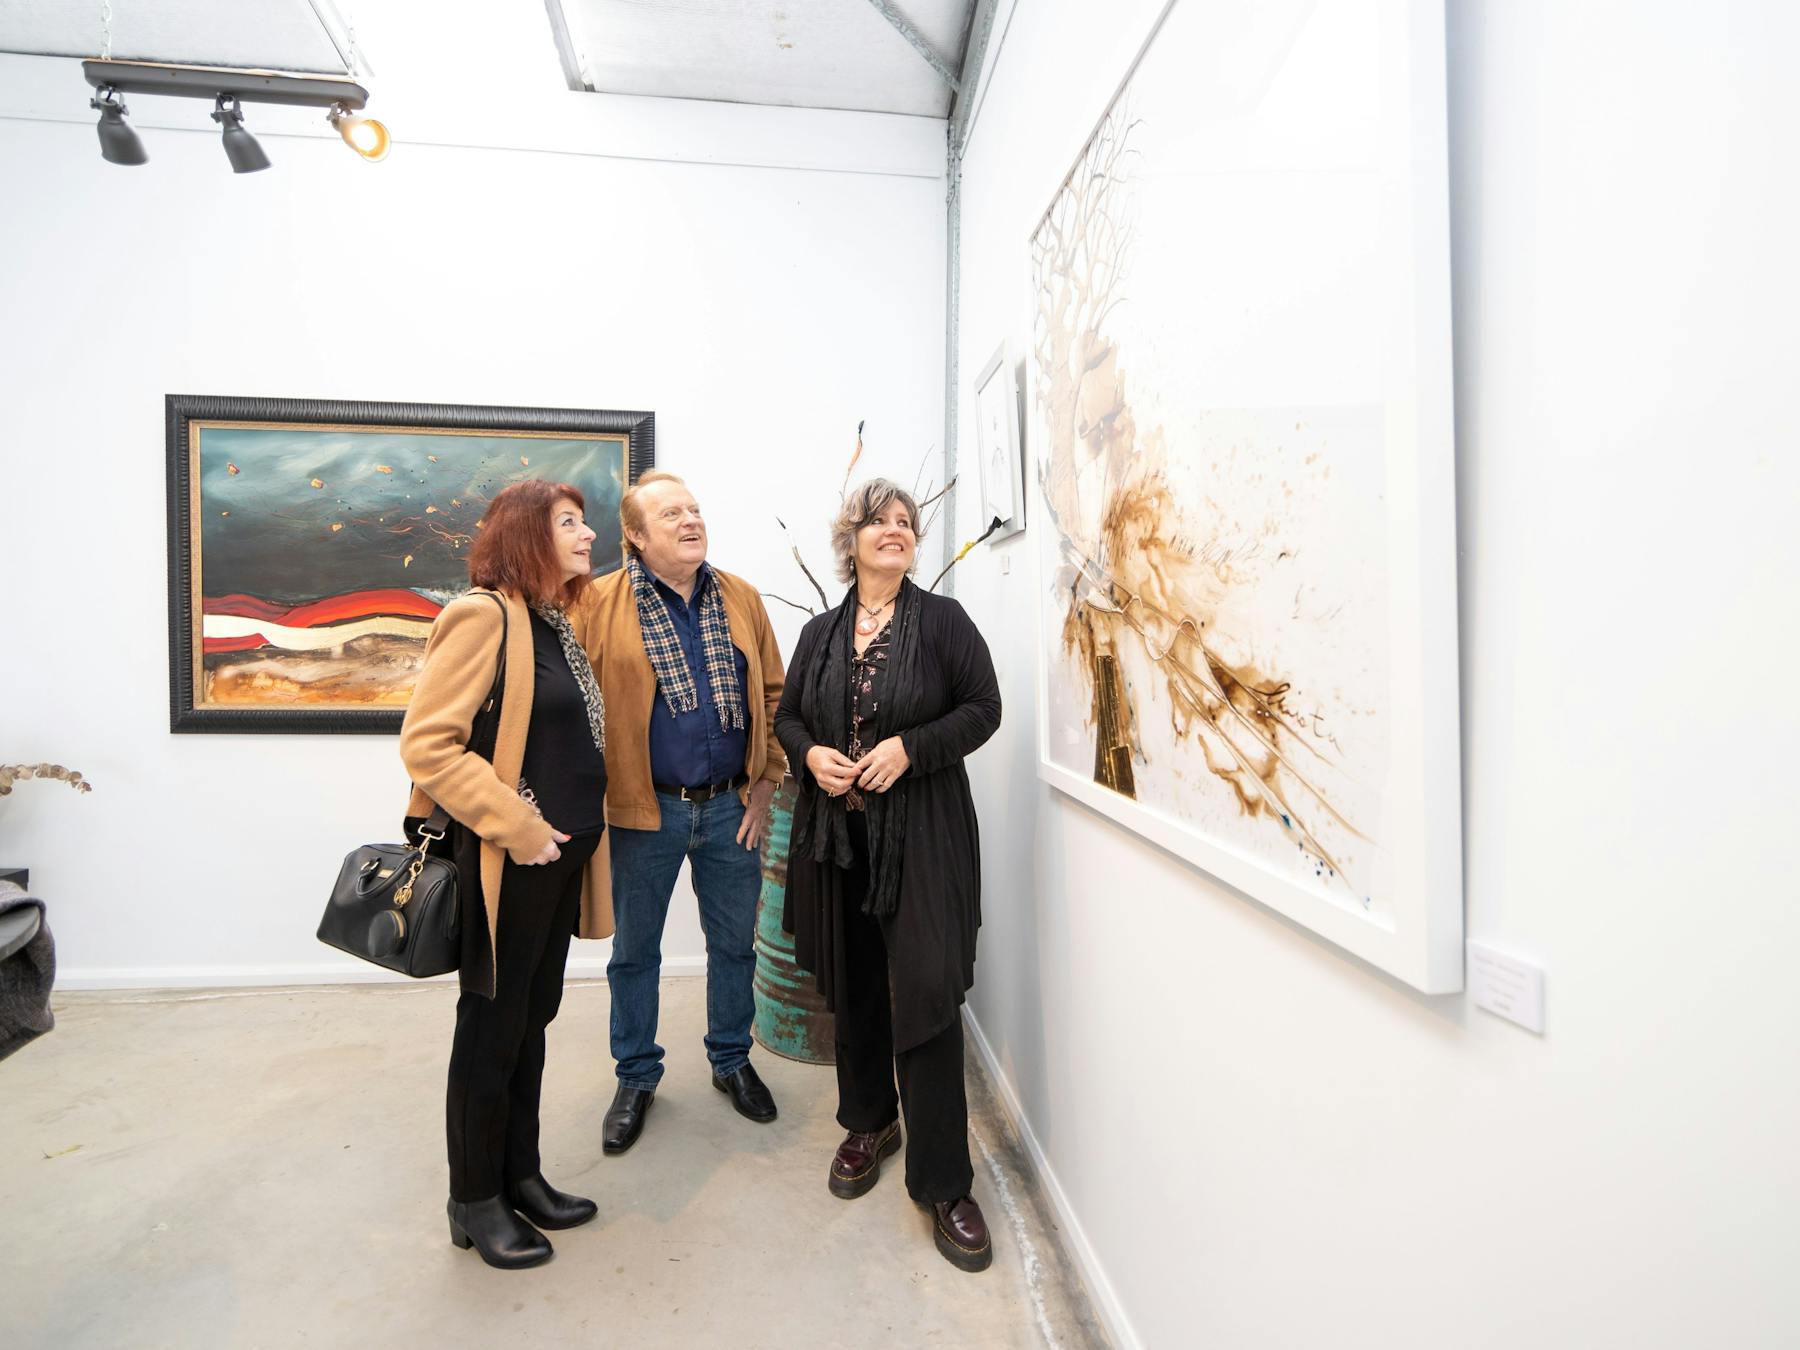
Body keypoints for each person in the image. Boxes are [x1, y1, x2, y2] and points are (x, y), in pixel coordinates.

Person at [774, 477, 1003, 1273]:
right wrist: (808, 755)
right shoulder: (820, 632)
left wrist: (910, 749)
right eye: (880, 521)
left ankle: (945, 1182)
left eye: (906, 522)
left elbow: (983, 707)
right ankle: (869, 1120)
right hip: (838, 841)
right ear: (853, 540)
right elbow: (789, 715)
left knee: (929, 993)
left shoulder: (943, 623)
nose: (896, 530)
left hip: (925, 840)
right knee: (859, 988)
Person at [399, 479, 612, 1270]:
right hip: (511, 863)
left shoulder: (553, 622)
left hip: (560, 864)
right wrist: (518, 828)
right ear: (526, 535)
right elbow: (428, 744)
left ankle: (520, 1174)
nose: (587, 536)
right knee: (491, 1028)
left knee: (533, 1019)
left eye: (586, 524)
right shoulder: (481, 614)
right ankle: (474, 1197)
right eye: (568, 524)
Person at [585, 470, 787, 1153]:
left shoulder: (741, 598)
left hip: (733, 808)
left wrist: (765, 783)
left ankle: (731, 1060)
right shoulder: (596, 604)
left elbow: (775, 694)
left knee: (735, 945)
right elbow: (579, 708)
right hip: (645, 813)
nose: (690, 520)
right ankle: (636, 1075)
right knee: (635, 952)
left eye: (695, 509)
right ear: (636, 537)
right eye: (670, 514)